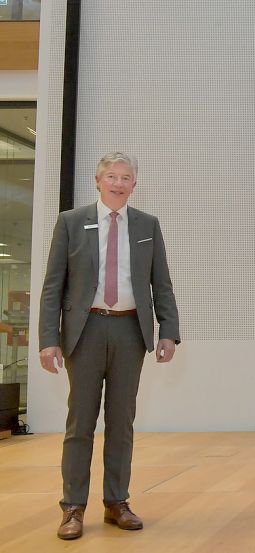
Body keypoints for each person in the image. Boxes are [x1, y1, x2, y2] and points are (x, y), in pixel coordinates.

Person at [38, 152, 180, 540]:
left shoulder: (148, 225)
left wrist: (168, 330)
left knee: (122, 423)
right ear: (97, 180)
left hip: (129, 333)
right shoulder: (70, 222)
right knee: (80, 423)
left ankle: (117, 501)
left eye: (126, 177)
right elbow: (53, 287)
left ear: (135, 184)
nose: (118, 183)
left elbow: (161, 283)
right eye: (111, 176)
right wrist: (48, 339)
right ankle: (72, 508)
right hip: (84, 332)